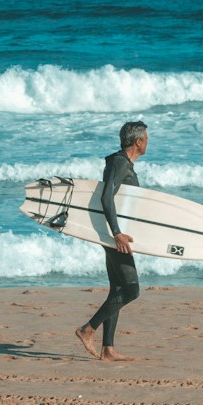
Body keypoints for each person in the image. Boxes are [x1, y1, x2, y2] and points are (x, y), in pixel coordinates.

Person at [76, 120, 149, 363]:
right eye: (146, 138)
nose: (148, 142)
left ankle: (108, 349)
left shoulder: (124, 164)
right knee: (131, 290)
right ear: (138, 141)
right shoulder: (118, 163)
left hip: (117, 235)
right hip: (115, 236)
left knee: (118, 289)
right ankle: (88, 329)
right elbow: (106, 198)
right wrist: (116, 232)